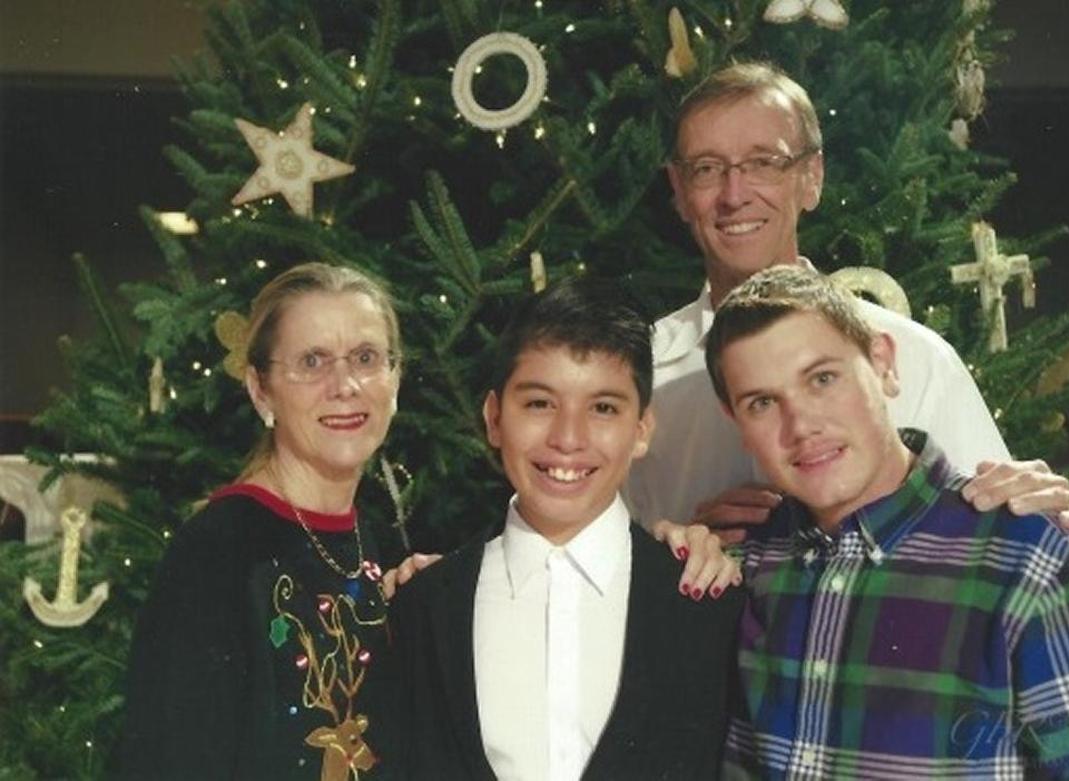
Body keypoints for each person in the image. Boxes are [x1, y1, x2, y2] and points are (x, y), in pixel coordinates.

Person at [624, 61, 1069, 540]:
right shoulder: (635, 373)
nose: (734, 194)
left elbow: (997, 525)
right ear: (679, 193)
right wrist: (681, 548)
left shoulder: (917, 357)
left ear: (812, 177)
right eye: (707, 169)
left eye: (763, 162)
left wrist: (1043, 514)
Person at [705, 266, 1069, 777]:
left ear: (883, 364)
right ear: (735, 420)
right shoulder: (745, 558)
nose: (802, 426)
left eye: (823, 379)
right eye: (762, 403)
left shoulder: (1037, 565)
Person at [388, 278, 744, 780]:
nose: (568, 439)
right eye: (539, 403)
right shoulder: (424, 605)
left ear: (641, 429)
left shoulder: (707, 603)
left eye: (603, 408)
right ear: (494, 418)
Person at [118, 263, 406, 780]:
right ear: (261, 391)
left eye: (366, 358)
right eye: (312, 361)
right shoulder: (217, 551)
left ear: (395, 378)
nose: (344, 385)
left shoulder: (388, 546)